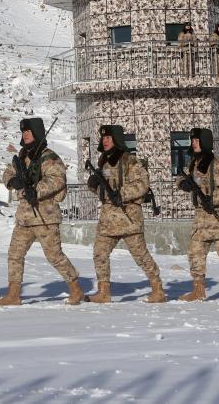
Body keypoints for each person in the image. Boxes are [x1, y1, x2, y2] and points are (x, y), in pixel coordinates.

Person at [0, 117, 87, 306]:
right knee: (14, 254)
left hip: (45, 216)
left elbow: (57, 180)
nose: (25, 135)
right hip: (24, 217)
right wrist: (13, 181)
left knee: (54, 256)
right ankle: (13, 294)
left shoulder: (49, 157)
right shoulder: (22, 157)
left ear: (37, 133)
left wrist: (35, 189)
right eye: (23, 132)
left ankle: (76, 289)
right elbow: (8, 172)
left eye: (28, 131)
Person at [86, 125, 166, 303]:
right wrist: (94, 185)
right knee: (99, 253)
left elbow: (142, 184)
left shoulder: (130, 161)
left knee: (141, 256)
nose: (105, 141)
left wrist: (121, 193)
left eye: (108, 138)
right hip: (108, 219)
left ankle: (158, 289)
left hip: (129, 218)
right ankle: (104, 292)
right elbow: (104, 191)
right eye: (103, 138)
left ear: (116, 139)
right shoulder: (103, 162)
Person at [176, 127, 219, 302]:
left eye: (197, 140)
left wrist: (212, 198)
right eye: (192, 141)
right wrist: (183, 184)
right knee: (195, 253)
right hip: (201, 219)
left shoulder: (217, 166)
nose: (194, 143)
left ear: (205, 142)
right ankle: (198, 290)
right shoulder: (193, 163)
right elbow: (183, 177)